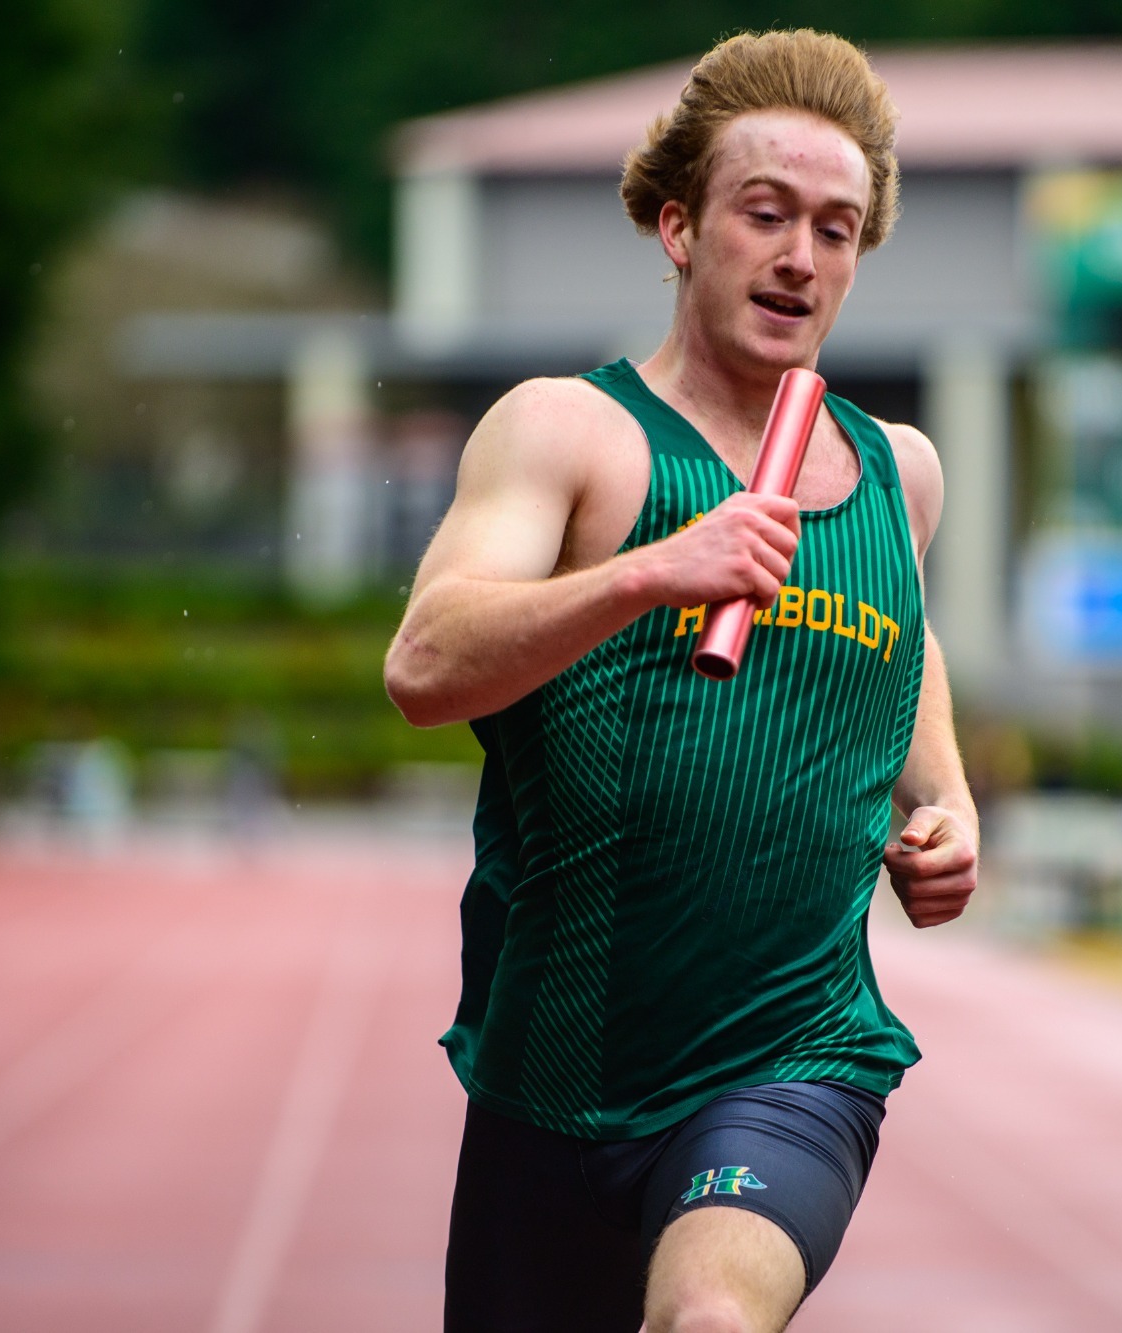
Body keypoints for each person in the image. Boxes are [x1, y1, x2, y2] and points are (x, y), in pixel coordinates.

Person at [383, 29, 978, 1333]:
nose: (800, 256)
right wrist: (651, 572)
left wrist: (944, 799)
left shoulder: (900, 474)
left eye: (835, 228)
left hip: (792, 1059)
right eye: (764, 214)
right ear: (678, 227)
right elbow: (424, 664)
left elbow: (908, 631)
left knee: (709, 1318)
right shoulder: (569, 434)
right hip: (558, 1078)